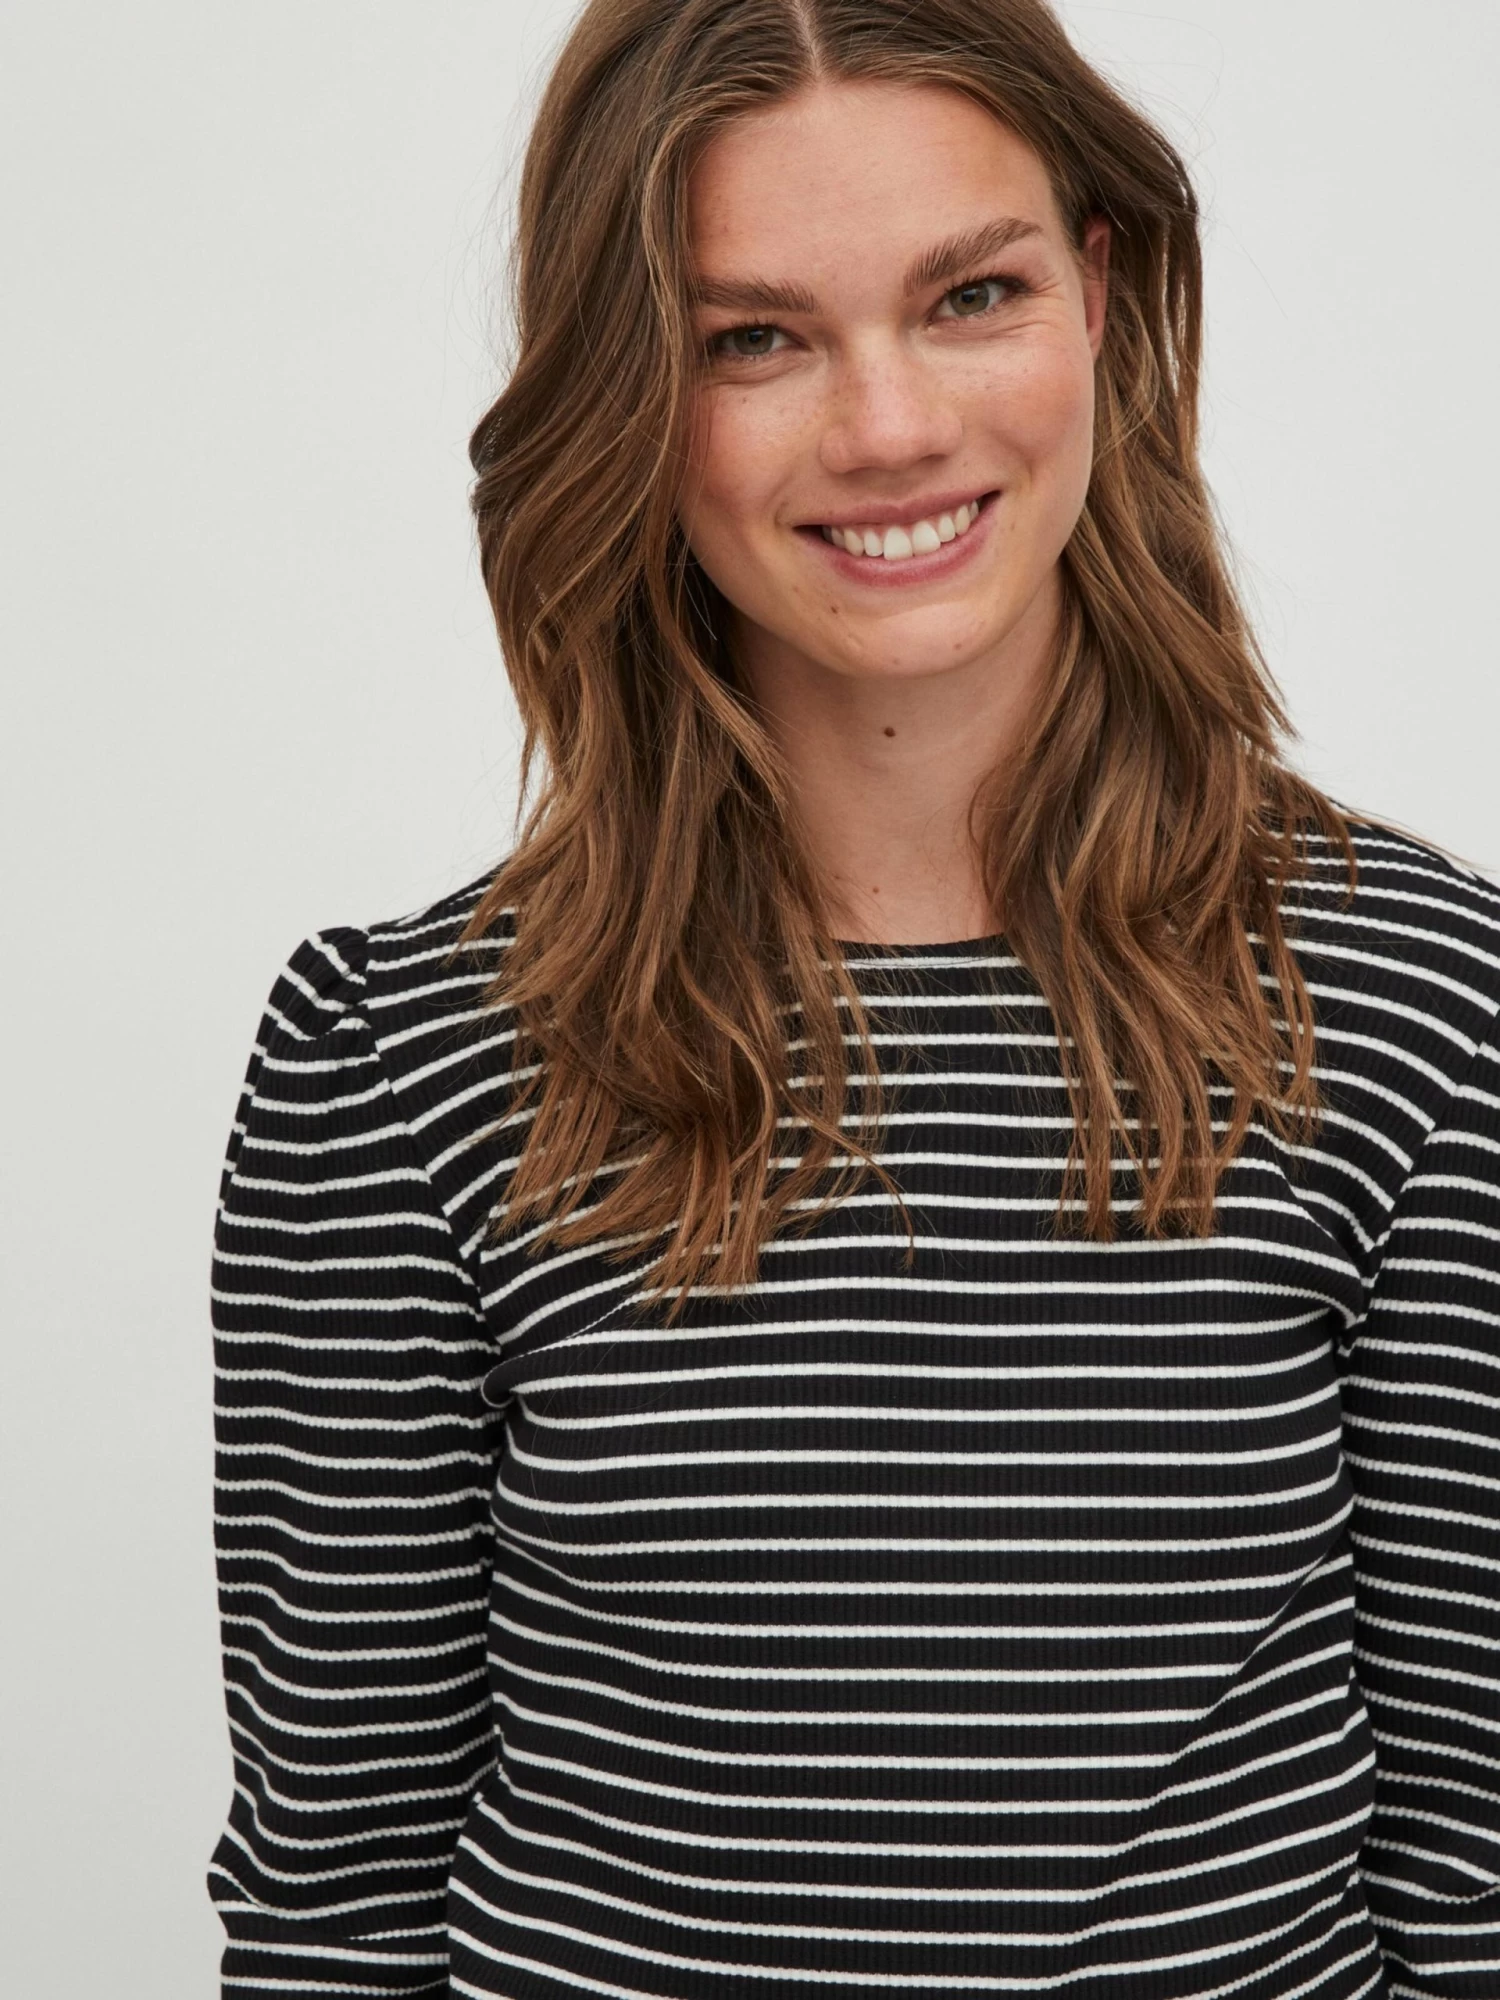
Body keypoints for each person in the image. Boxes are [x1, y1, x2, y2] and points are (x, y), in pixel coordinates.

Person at [205, 1, 1500, 1995]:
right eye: (755, 338)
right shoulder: (397, 1061)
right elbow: (332, 1910)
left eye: (971, 294)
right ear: (631, 397)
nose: (888, 427)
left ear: (1100, 292)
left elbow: (1477, 1883)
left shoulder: (1420, 1010)